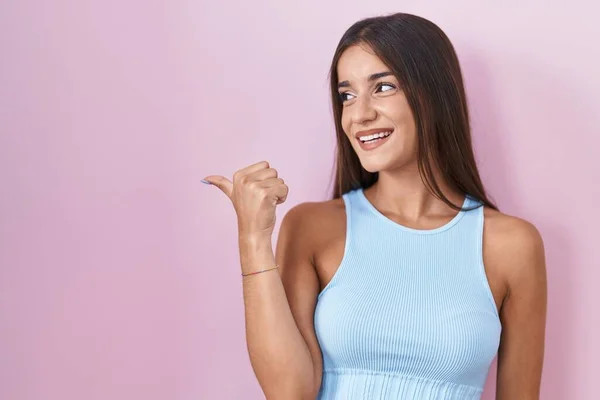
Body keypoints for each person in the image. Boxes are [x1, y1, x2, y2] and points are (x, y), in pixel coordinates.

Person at [202, 12, 547, 400]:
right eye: (346, 95)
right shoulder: (313, 227)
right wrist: (253, 239)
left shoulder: (511, 244)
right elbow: (289, 392)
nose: (359, 114)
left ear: (433, 93)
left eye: (382, 87)